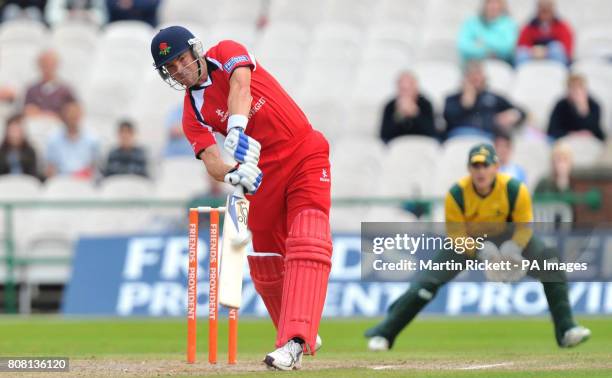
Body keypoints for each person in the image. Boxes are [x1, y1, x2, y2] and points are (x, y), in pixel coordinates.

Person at [150, 26, 332, 370]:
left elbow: (241, 86)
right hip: (262, 175)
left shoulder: (226, 52)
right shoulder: (192, 112)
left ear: (195, 50)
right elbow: (212, 161)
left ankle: (293, 341)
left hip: (303, 152)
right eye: (169, 69)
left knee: (307, 236)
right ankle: (302, 327)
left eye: (180, 60)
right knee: (263, 260)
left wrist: (235, 128)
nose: (178, 71)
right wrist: (232, 173)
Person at [365, 143, 591, 351]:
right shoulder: (457, 193)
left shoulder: (514, 189)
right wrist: (481, 250)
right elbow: (455, 235)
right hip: (470, 242)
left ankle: (566, 329)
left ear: (496, 167)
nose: (481, 171)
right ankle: (385, 333)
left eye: (485, 165)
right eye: (476, 166)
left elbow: (524, 227)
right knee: (426, 283)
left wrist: (514, 247)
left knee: (550, 262)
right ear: (469, 169)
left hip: (510, 237)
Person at [443, 61, 525, 139]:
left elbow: (520, 111)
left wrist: (512, 115)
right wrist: (465, 104)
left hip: (488, 138)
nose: (476, 78)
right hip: (459, 137)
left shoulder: (493, 98)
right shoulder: (452, 99)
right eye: (472, 75)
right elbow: (448, 120)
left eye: (478, 74)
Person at [45, 101, 99, 179]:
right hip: (61, 182)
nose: (72, 116)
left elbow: (93, 168)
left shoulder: (92, 140)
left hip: (84, 182)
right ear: (63, 116)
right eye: (69, 113)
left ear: (80, 115)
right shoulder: (53, 140)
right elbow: (50, 169)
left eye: (75, 114)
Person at [379, 72, 437, 144]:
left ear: (415, 87)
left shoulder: (425, 104)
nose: (406, 93)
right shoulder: (390, 106)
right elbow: (384, 135)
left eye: (409, 88)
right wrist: (399, 115)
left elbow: (431, 133)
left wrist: (415, 114)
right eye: (403, 89)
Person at [547, 74, 605, 142]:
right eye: (573, 88)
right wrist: (572, 134)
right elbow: (552, 130)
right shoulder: (560, 105)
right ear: (568, 90)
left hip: (589, 143)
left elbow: (595, 130)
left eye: (580, 87)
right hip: (566, 142)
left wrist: (583, 109)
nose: (577, 91)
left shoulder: (594, 105)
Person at [457, 0, 518, 64]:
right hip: (473, 65)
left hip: (499, 64)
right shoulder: (471, 23)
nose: (493, 6)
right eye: (489, 2)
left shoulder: (508, 24)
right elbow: (463, 47)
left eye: (497, 3)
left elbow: (508, 47)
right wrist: (488, 51)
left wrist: (482, 42)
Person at [516, 0, 573, 66]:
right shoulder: (529, 27)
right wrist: (535, 52)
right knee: (522, 54)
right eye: (542, 7)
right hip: (533, 58)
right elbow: (522, 45)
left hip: (555, 60)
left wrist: (546, 52)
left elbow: (567, 49)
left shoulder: (562, 26)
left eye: (548, 6)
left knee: (556, 49)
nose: (545, 9)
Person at [23, 49, 76, 120]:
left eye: (51, 64)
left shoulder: (65, 90)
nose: (48, 67)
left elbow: (73, 112)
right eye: (44, 64)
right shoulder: (32, 90)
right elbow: (28, 111)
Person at [0, 113, 39, 178]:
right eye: (12, 131)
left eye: (17, 131)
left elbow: (33, 175)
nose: (15, 135)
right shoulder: (1, 152)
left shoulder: (30, 152)